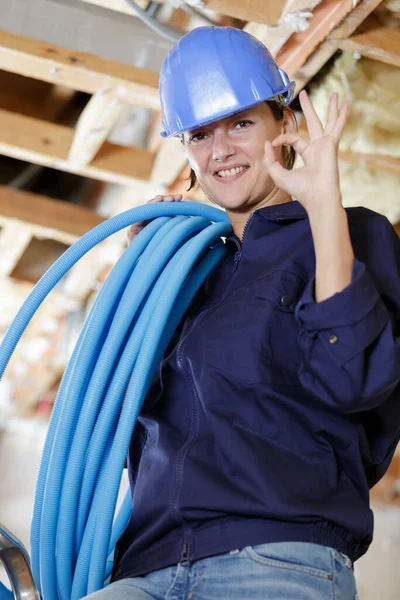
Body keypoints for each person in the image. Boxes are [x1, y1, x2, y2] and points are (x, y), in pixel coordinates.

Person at [85, 26, 400, 600]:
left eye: (241, 123)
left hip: (276, 556)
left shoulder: (354, 234)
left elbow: (352, 379)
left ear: (286, 124)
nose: (220, 149)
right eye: (199, 134)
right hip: (145, 566)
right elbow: (111, 406)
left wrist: (322, 203)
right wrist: (141, 268)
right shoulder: (185, 272)